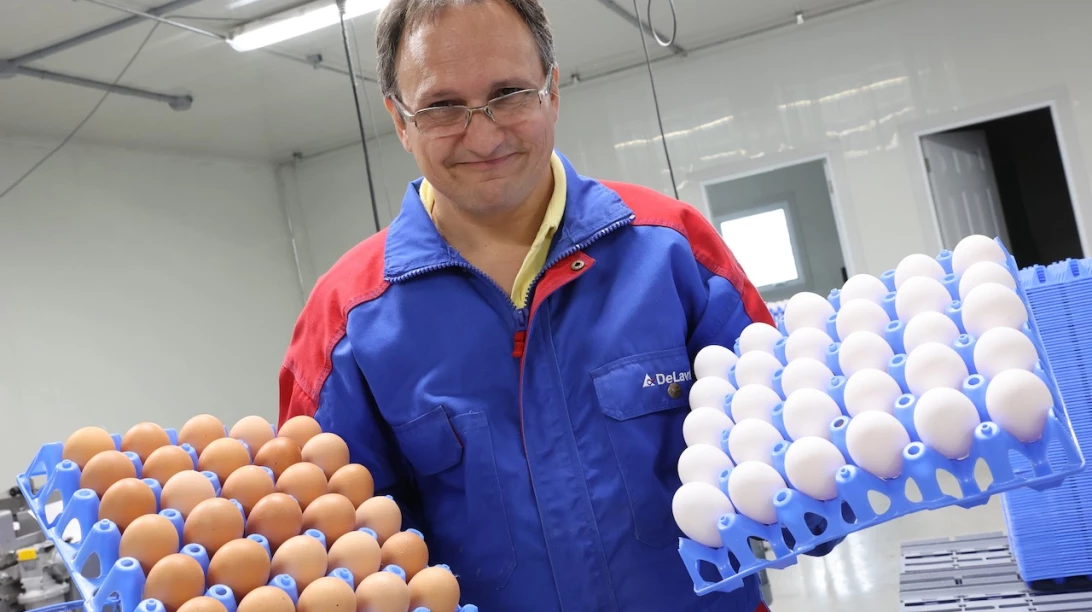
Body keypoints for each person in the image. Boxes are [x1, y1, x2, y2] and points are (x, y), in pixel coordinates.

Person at [279, 1, 785, 610]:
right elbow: (331, 544)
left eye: (509, 93)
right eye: (442, 106)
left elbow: (786, 442)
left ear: (551, 89)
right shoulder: (347, 323)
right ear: (400, 119)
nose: (484, 134)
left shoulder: (673, 253)